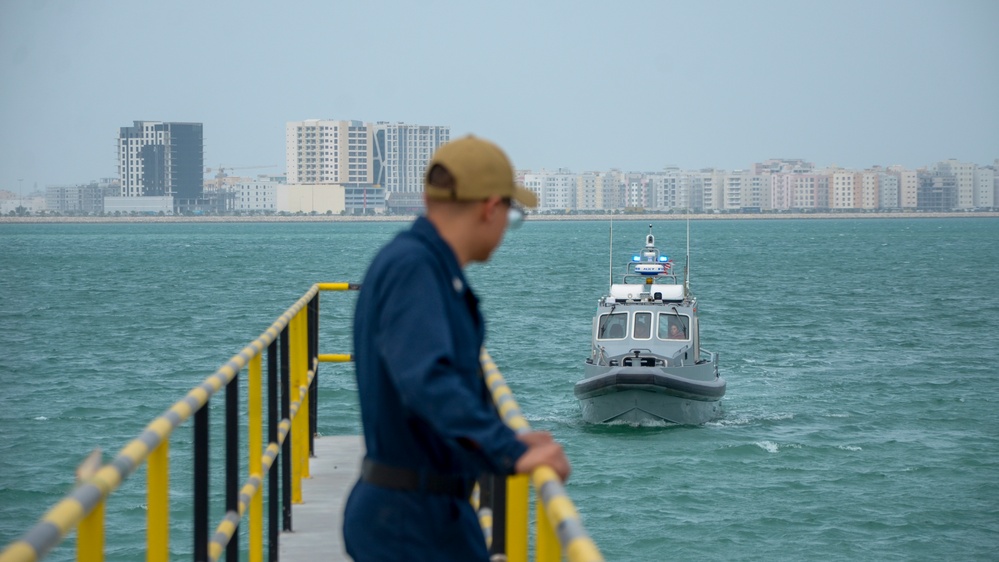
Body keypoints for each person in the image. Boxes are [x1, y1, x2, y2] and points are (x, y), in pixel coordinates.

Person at [343, 135, 571, 561]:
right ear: (490, 208)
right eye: (512, 214)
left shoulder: (418, 265)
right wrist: (511, 450)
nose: (507, 227)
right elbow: (427, 379)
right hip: (411, 522)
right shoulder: (415, 269)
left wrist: (503, 436)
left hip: (422, 510)